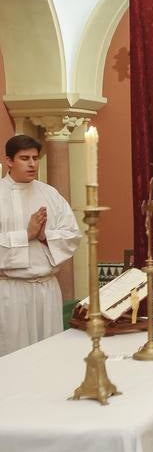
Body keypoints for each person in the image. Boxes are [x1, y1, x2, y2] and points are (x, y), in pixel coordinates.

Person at [0, 134, 81, 356]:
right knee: (14, 355)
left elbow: (73, 235)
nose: (32, 164)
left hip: (47, 290)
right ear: (9, 161)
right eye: (24, 158)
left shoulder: (49, 194)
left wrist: (45, 236)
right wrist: (26, 234)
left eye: (35, 158)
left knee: (49, 354)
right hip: (10, 291)